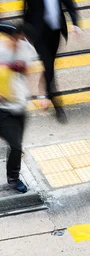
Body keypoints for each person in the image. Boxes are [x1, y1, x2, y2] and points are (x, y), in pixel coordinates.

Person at [23, 0, 81, 122]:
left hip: (56, 32)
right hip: (39, 34)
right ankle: (57, 104)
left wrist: (76, 24)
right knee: (49, 66)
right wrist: (26, 36)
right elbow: (26, 14)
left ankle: (43, 89)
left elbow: (70, 4)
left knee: (50, 65)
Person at [0, 24, 36, 194]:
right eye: (19, 39)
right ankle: (13, 178)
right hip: (3, 108)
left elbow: (26, 70)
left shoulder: (26, 49)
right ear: (13, 36)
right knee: (15, 145)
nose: (20, 43)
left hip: (19, 105)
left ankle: (13, 176)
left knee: (17, 145)